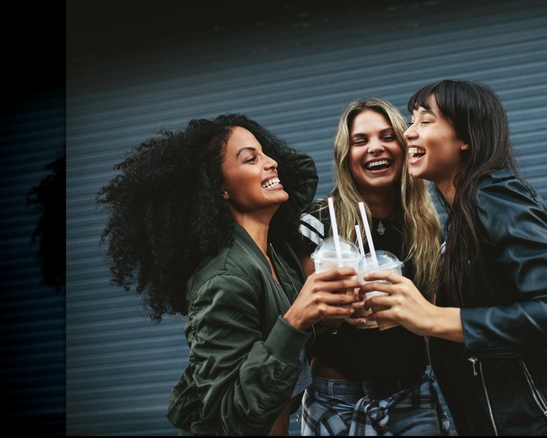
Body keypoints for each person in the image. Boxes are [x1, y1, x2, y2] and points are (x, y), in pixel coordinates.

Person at [360, 79, 547, 435]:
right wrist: (408, 313)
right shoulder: (462, 222)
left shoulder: (497, 195)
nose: (408, 133)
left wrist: (432, 317)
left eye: (425, 121)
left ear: (466, 138)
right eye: (411, 121)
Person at [96, 114, 360, 436]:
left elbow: (300, 169)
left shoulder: (275, 247)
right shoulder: (224, 280)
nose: (272, 163)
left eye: (267, 152)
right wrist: (295, 321)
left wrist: (241, 136)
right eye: (251, 159)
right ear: (219, 188)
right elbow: (231, 417)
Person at [295, 97, 452, 435]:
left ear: (403, 145)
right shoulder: (320, 223)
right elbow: (303, 322)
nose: (375, 148)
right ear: (346, 156)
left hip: (411, 395)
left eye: (386, 136)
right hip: (339, 398)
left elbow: (433, 319)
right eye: (360, 141)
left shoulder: (425, 225)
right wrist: (334, 318)